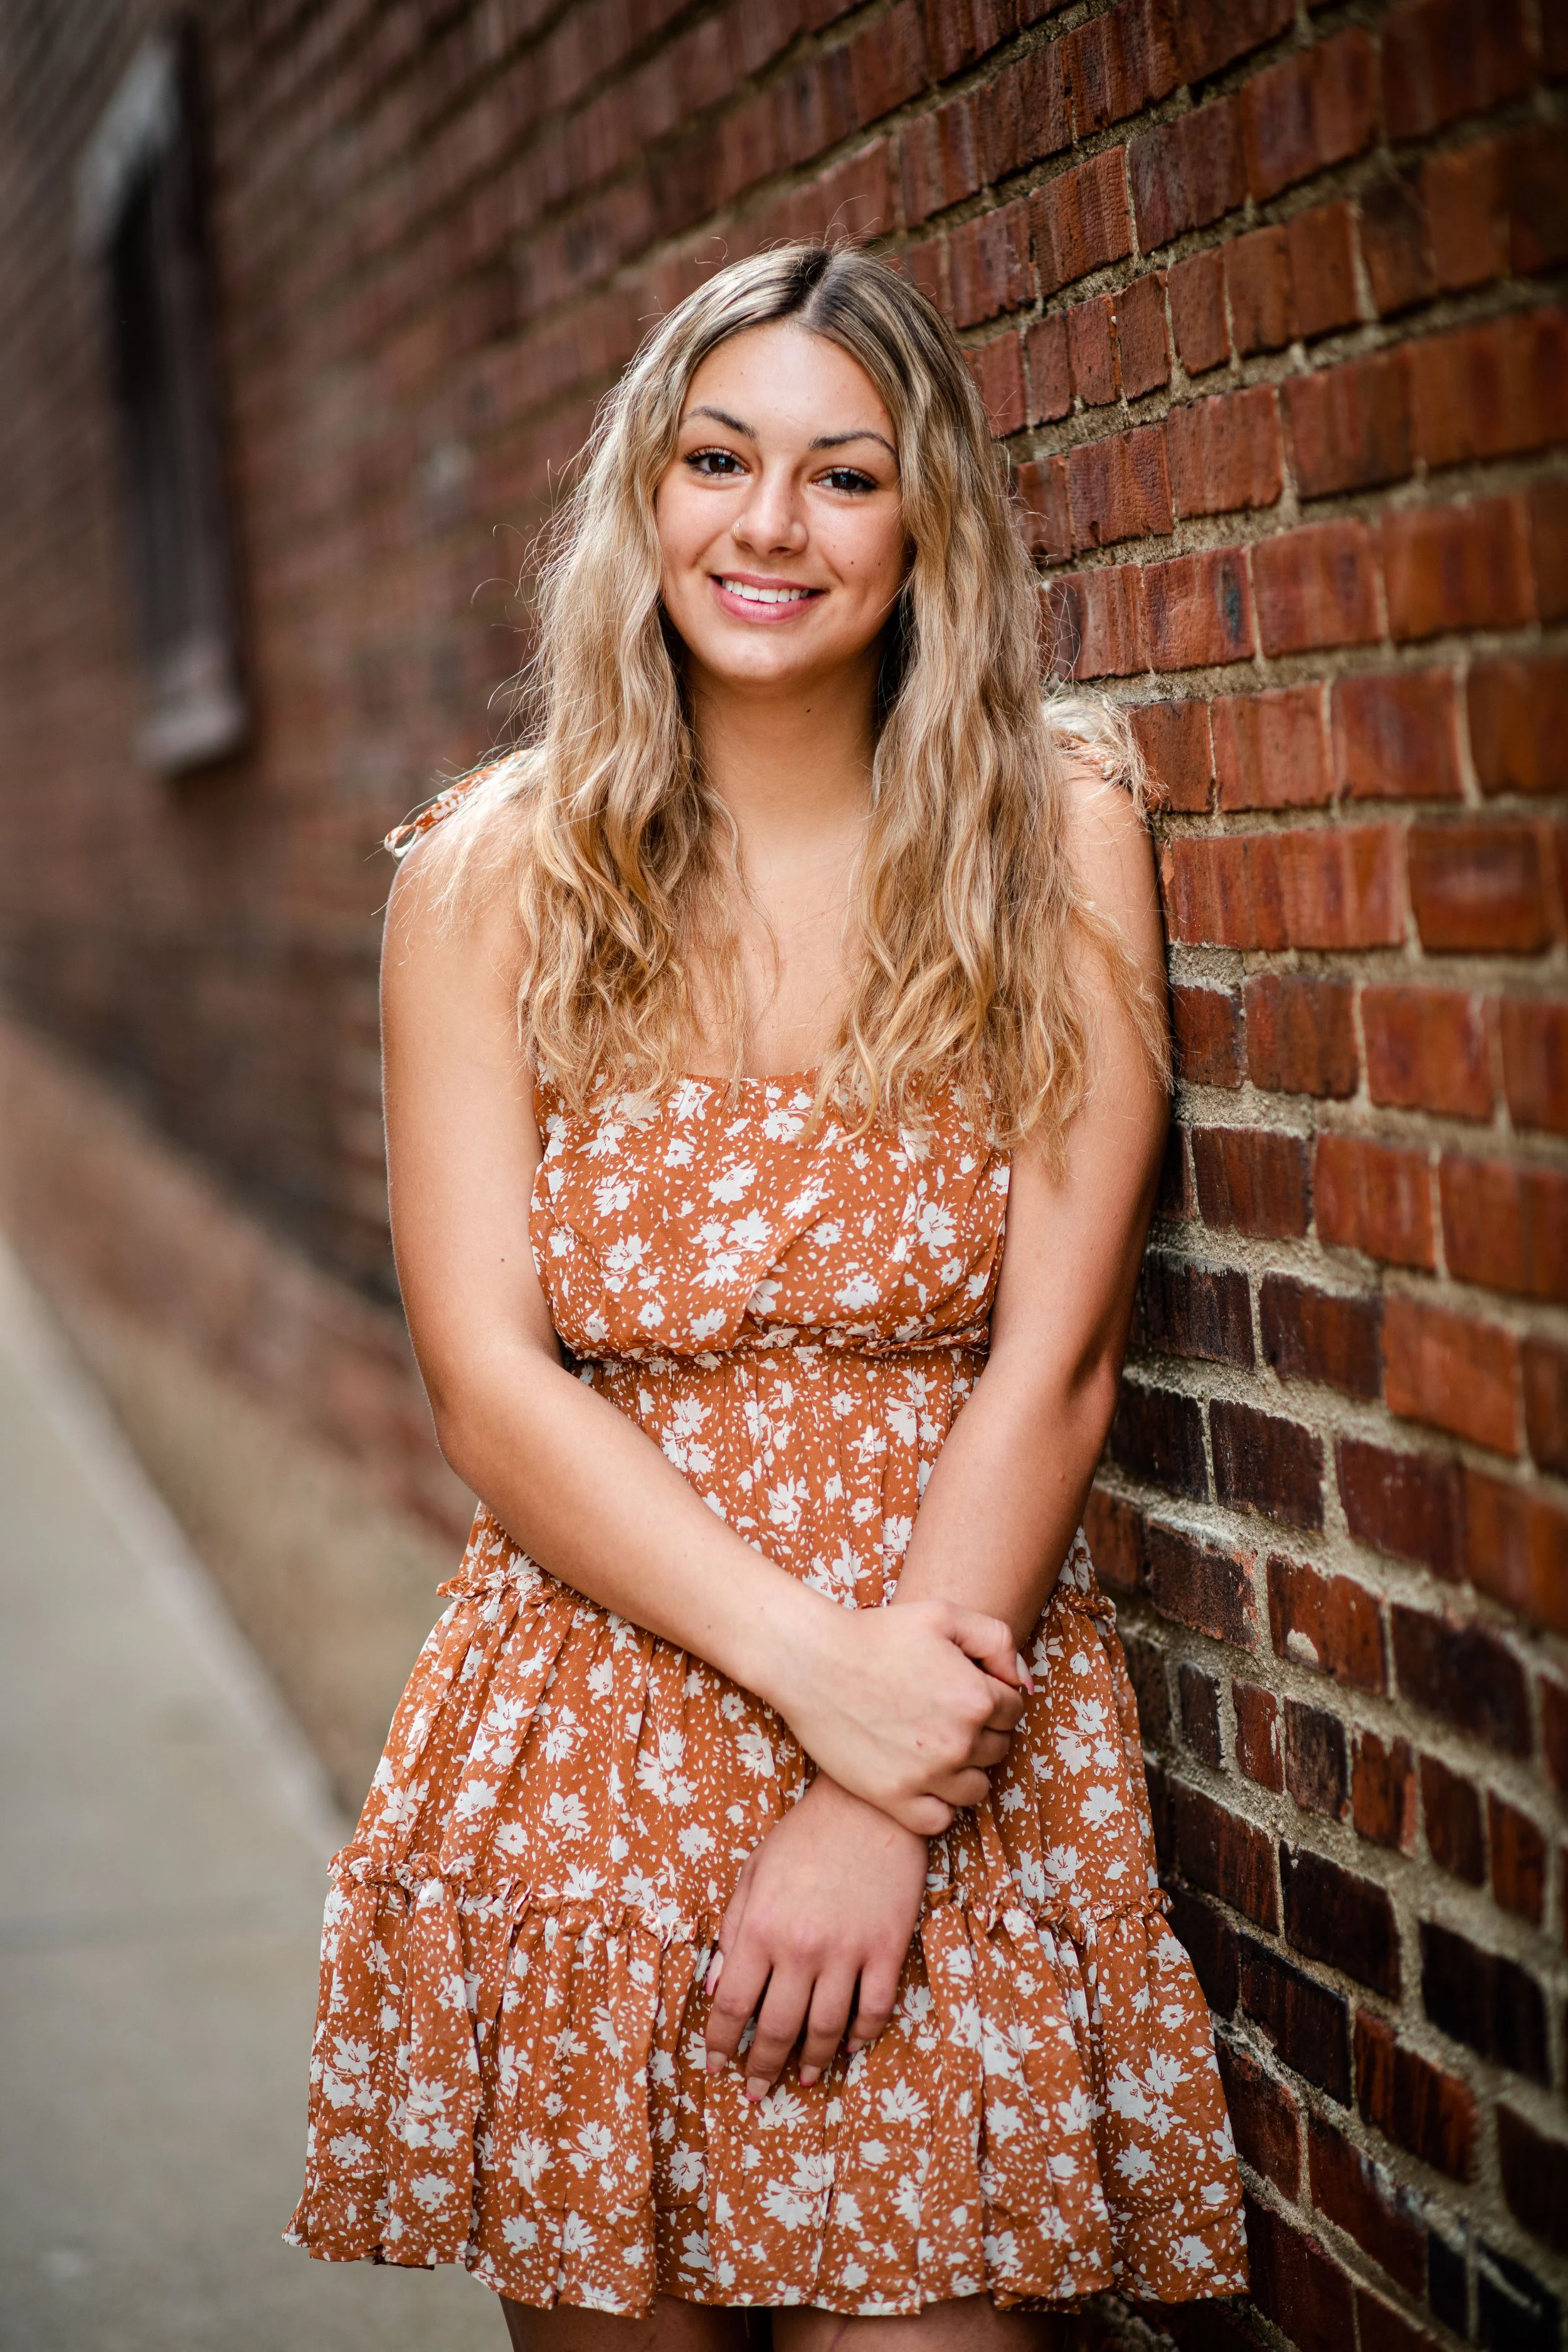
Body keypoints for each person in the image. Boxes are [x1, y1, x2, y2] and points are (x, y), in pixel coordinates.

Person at [287, 241, 1247, 2349]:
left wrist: (874, 1778)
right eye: (720, 459)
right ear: (647, 492)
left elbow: (1055, 1358)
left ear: (929, 530)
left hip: (949, 1685)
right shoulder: (491, 871)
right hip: (597, 1706)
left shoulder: (1052, 824)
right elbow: (488, 1378)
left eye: (843, 476)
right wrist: (811, 1672)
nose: (768, 526)